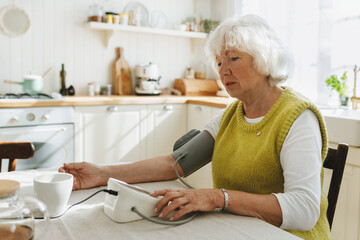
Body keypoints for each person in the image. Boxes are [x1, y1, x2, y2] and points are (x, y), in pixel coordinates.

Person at [59, 14, 331, 239]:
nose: (223, 70)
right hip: (240, 232)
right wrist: (101, 173)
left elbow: (305, 210)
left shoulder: (297, 117)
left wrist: (218, 198)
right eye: (219, 62)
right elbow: (173, 165)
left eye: (233, 58)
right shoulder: (231, 115)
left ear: (264, 58)